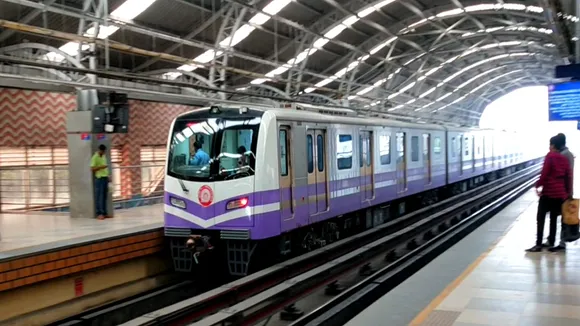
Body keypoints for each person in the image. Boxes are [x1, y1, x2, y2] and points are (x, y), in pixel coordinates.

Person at [527, 136, 572, 252]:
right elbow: (568, 176)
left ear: (553, 145)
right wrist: (567, 192)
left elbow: (545, 173)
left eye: (550, 144)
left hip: (549, 193)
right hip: (560, 194)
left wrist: (537, 185)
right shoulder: (564, 159)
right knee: (554, 217)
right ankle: (551, 242)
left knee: (540, 218)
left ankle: (538, 244)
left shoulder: (550, 156)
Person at [550, 133, 575, 252]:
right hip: (564, 190)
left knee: (564, 217)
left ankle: (562, 242)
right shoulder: (566, 154)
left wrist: (568, 191)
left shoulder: (565, 155)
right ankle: (558, 240)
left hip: (564, 190)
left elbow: (567, 174)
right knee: (561, 216)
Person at [91, 144, 111, 220]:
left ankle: (104, 213)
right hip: (99, 178)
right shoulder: (95, 157)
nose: (103, 152)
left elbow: (105, 167)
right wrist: (100, 167)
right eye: (102, 151)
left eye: (104, 151)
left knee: (104, 196)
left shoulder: (103, 156)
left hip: (105, 177)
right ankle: (99, 213)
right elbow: (92, 168)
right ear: (100, 150)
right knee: (99, 196)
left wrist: (108, 176)